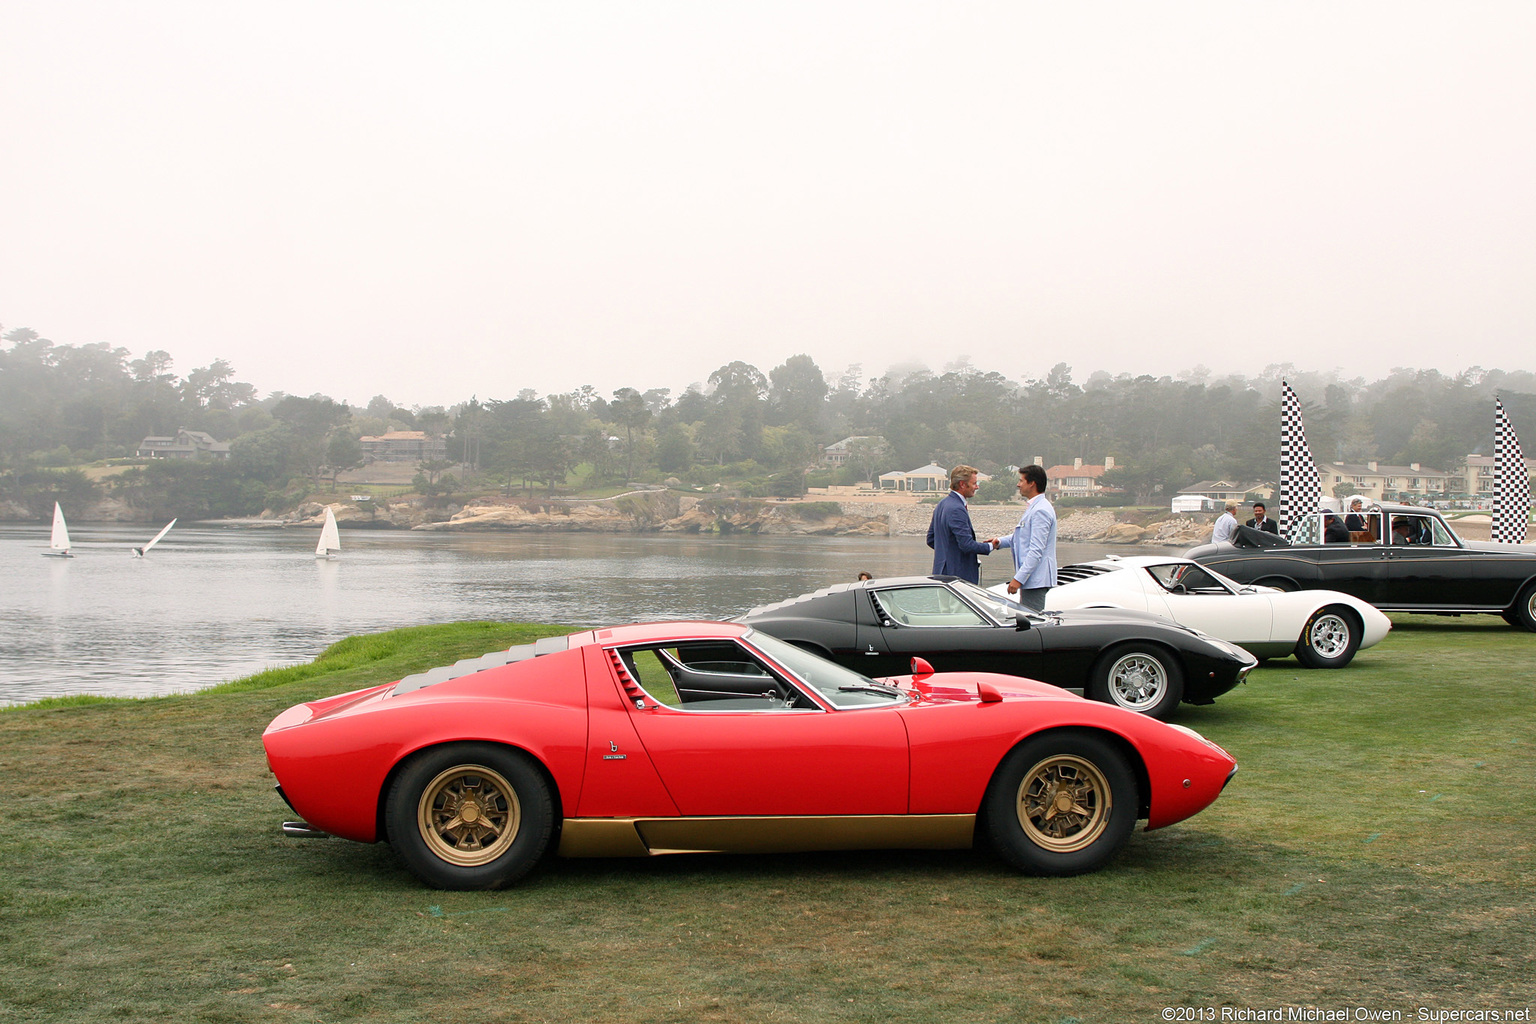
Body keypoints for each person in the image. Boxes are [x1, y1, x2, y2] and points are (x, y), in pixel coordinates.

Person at [990, 464, 1058, 612]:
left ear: (1032, 483)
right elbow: (1021, 537)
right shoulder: (1035, 507)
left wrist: (1018, 579)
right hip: (1032, 579)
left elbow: (1036, 550)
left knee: (1031, 621)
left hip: (1037, 579)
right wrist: (1000, 542)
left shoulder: (1041, 510)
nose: (1018, 484)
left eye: (1021, 480)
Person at [925, 465, 993, 584]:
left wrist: (948, 553)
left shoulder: (942, 504)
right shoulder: (956, 508)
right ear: (962, 484)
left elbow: (931, 539)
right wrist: (991, 546)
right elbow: (966, 545)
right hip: (957, 578)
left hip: (941, 574)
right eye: (974, 483)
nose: (976, 487)